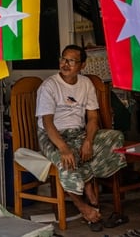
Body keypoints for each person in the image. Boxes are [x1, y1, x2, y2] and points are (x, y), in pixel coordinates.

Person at [35, 44, 126, 231]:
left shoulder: (85, 83)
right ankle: (84, 207)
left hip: (78, 133)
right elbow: (47, 123)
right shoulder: (49, 86)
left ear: (82, 65)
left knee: (115, 138)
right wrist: (63, 147)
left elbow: (93, 118)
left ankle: (88, 181)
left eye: (71, 61)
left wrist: (88, 141)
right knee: (67, 161)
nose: (65, 64)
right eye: (63, 59)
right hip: (52, 135)